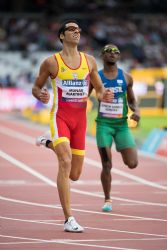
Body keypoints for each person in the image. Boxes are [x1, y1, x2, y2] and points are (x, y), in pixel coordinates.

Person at [32, 20, 113, 233]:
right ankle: (68, 219)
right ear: (61, 36)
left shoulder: (89, 61)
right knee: (65, 161)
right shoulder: (51, 62)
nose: (77, 32)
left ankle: (48, 141)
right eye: (71, 29)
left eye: (79, 30)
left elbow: (99, 89)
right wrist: (40, 94)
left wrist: (105, 94)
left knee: (75, 174)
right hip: (60, 118)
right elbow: (36, 86)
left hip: (80, 122)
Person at [94, 44, 140, 212]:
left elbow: (132, 100)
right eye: (109, 52)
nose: (113, 54)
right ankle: (107, 199)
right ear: (102, 55)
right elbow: (85, 97)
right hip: (104, 125)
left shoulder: (127, 77)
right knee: (107, 165)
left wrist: (137, 112)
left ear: (119, 57)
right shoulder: (96, 77)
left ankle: (121, 146)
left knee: (133, 163)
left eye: (116, 52)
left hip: (121, 126)